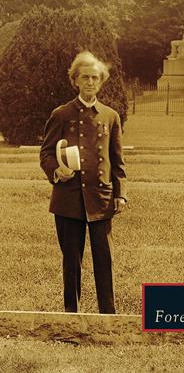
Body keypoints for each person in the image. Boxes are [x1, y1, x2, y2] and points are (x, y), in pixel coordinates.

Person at [40, 51, 127, 314]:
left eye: (95, 78)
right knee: (71, 261)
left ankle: (108, 315)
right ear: (75, 81)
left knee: (104, 258)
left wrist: (120, 193)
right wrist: (57, 171)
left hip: (101, 197)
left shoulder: (110, 116)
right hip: (68, 198)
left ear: (101, 81)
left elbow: (117, 160)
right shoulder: (62, 114)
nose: (90, 82)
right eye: (85, 77)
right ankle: (71, 313)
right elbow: (46, 153)